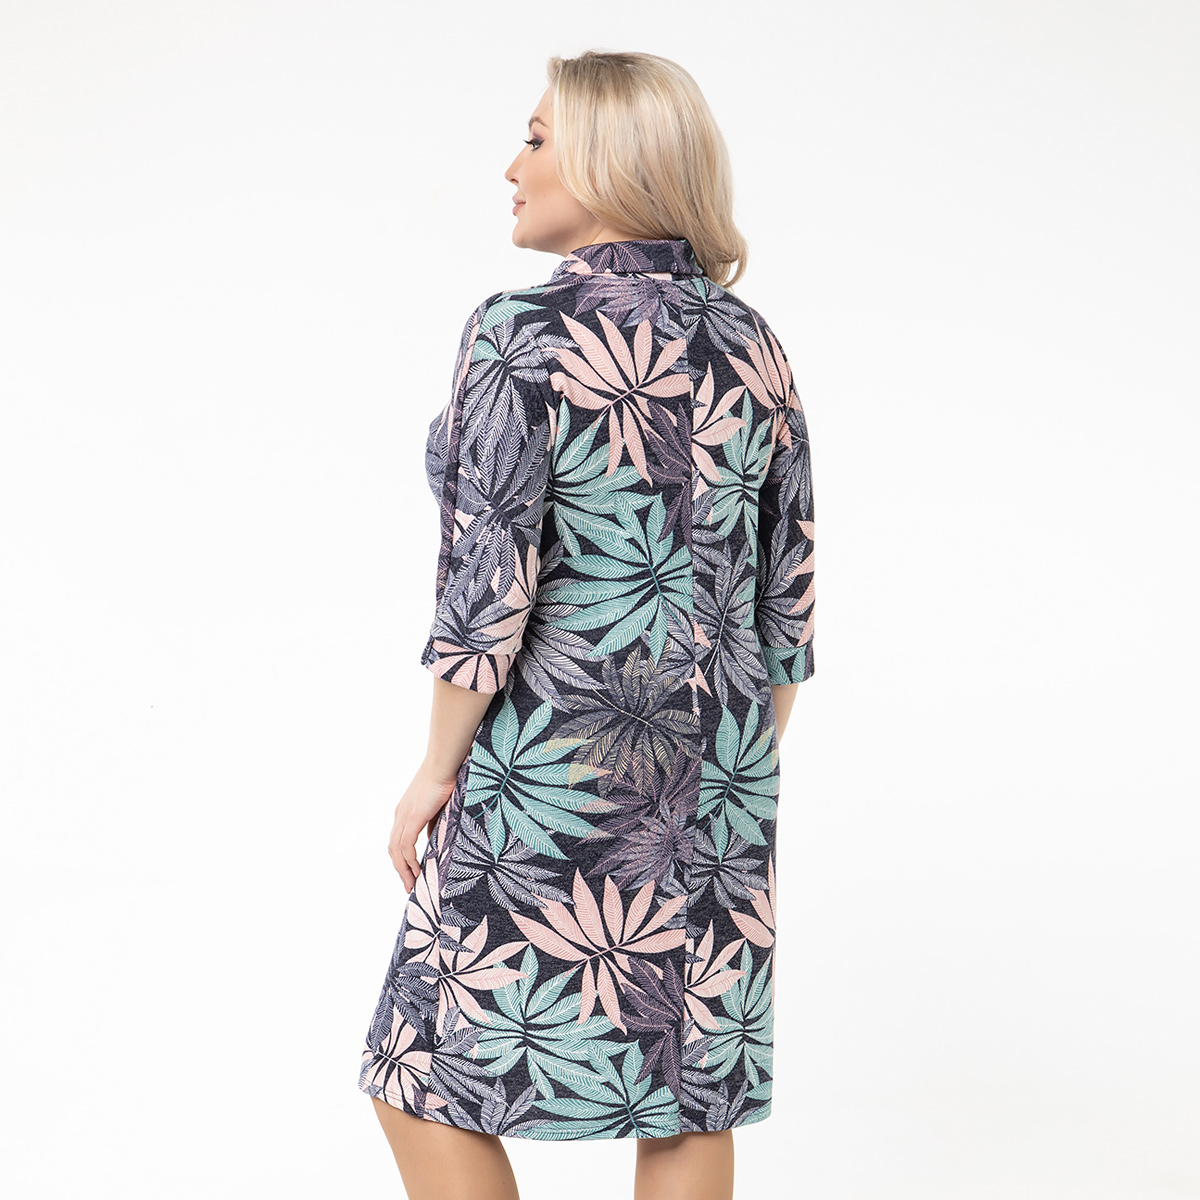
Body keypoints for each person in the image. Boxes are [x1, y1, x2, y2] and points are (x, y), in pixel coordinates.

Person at [357, 49, 816, 1200]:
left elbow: (487, 590)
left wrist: (434, 771)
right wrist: (727, 771)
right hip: (721, 778)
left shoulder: (521, 332)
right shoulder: (754, 344)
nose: (511, 167)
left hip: (549, 767)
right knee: (689, 1096)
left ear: (613, 158)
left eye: (536, 139)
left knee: (416, 1068)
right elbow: (789, 602)